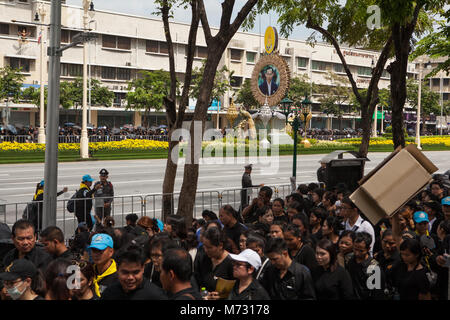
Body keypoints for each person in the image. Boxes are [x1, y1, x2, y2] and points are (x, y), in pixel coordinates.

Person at [101, 245, 167, 300]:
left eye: (135, 272)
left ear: (143, 268)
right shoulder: (109, 293)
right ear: (117, 269)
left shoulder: (156, 296)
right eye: (125, 272)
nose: (130, 277)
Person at [193, 227, 235, 299]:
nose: (206, 250)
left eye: (209, 247)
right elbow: (200, 284)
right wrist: (204, 294)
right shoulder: (203, 259)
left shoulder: (232, 263)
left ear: (220, 246)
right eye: (204, 246)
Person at [346, 232, 386, 300]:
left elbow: (377, 294)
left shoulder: (373, 268)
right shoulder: (351, 260)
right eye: (355, 249)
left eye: (361, 251)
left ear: (368, 249)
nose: (357, 253)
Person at [88, 233, 118, 298]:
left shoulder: (118, 276)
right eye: (94, 250)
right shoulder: (88, 272)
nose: (96, 254)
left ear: (111, 252)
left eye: (100, 251)